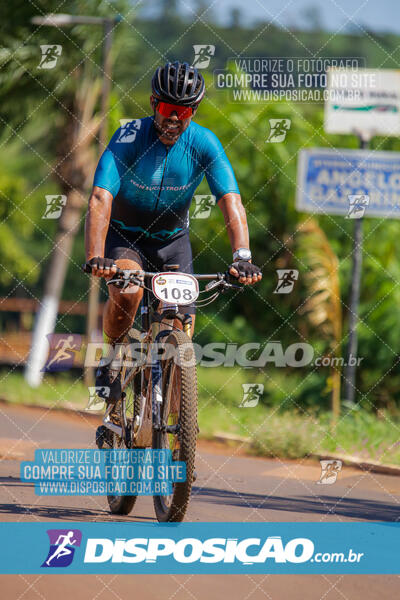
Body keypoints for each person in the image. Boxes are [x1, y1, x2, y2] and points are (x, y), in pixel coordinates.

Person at [84, 61, 262, 399]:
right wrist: (95, 255)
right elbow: (99, 198)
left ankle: (171, 421)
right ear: (154, 103)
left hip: (172, 243)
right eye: (167, 109)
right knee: (129, 292)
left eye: (183, 111)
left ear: (194, 110)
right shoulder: (129, 137)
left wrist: (242, 256)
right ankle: (111, 356)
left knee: (181, 333)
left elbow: (231, 201)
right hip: (126, 238)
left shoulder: (205, 143)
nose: (174, 119)